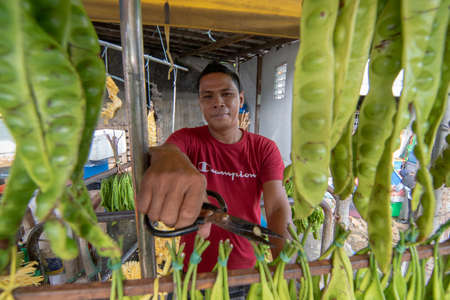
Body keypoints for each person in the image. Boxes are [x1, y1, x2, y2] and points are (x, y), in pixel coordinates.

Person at [137, 62, 291, 274]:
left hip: (243, 273)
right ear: (200, 103)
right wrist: (166, 157)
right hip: (190, 273)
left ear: (241, 100)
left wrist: (284, 265)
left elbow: (276, 208)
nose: (218, 102)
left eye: (226, 94)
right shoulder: (188, 139)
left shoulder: (263, 148)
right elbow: (166, 152)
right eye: (207, 96)